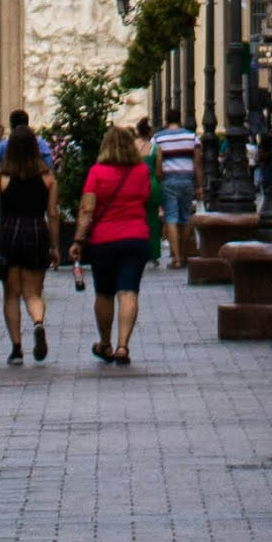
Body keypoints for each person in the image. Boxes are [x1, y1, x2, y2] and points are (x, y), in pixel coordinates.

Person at [72, 114, 160, 363]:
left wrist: (78, 240)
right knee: (129, 291)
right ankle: (123, 346)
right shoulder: (142, 170)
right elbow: (146, 198)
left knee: (104, 293)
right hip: (136, 238)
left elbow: (87, 209)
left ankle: (106, 344)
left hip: (103, 241)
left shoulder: (97, 172)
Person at [0, 121, 55, 364]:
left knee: (11, 295)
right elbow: (53, 214)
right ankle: (38, 322)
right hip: (37, 231)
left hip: (9, 233)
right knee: (34, 293)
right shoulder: (47, 178)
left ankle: (16, 348)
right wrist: (56, 247)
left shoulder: (1, 177)